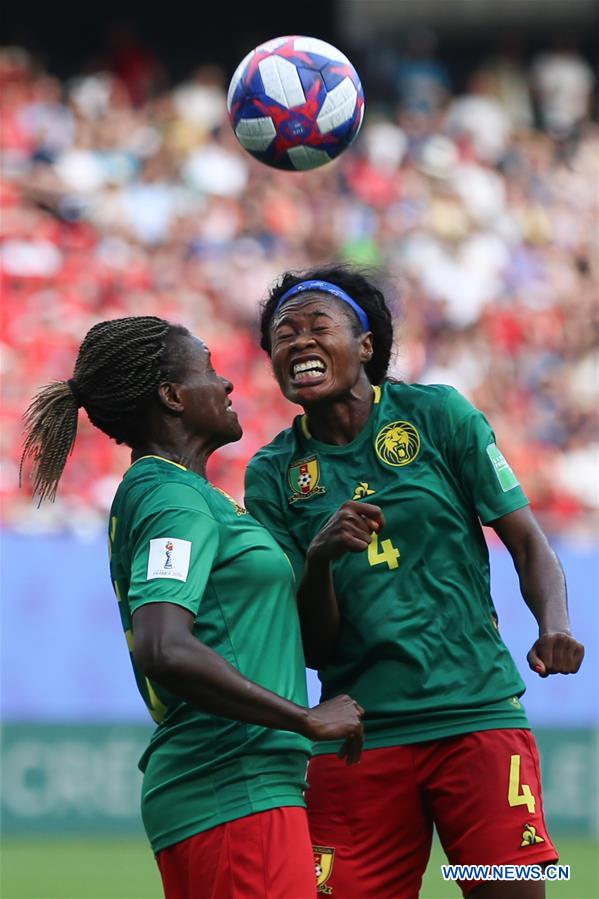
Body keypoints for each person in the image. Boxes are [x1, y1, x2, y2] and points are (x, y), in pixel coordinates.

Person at [244, 266, 585, 899]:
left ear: (366, 345)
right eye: (281, 336)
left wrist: (554, 626)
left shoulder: (438, 415)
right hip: (360, 736)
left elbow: (527, 540)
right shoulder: (272, 474)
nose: (297, 343)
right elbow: (314, 648)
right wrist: (317, 560)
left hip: (476, 718)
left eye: (318, 327)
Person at [20, 314, 364, 899]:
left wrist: (318, 560)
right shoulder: (172, 498)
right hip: (232, 784)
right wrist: (304, 720)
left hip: (237, 789)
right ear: (173, 397)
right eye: (208, 369)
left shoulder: (177, 492)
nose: (227, 384)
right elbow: (164, 645)